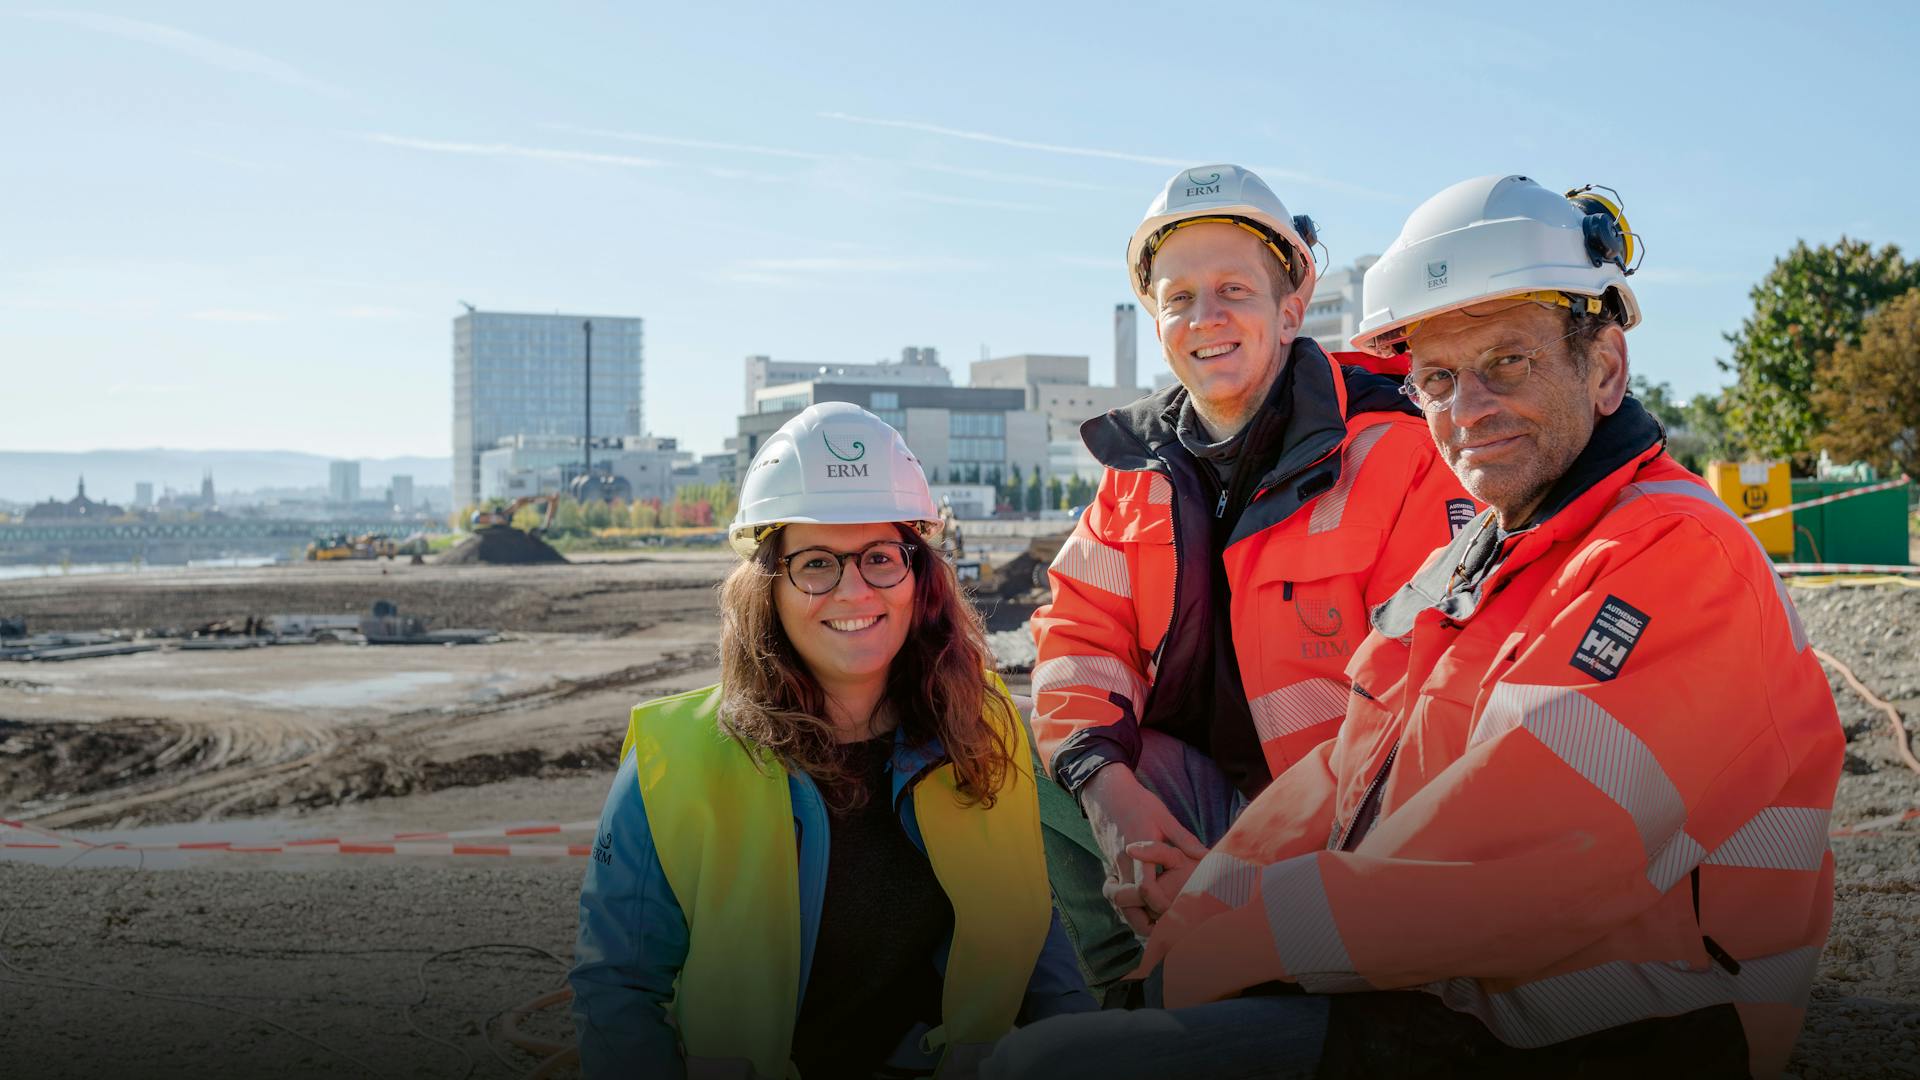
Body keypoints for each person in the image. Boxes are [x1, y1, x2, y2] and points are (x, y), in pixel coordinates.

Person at [987, 175, 1841, 1079]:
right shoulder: (1488, 556)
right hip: (1453, 991)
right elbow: (1348, 769)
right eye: (1436, 377)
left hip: (1636, 1025)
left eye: (1507, 362)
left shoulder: (1672, 554)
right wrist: (1209, 909)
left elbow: (1519, 870)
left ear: (1605, 367)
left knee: (1057, 1067)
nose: (1467, 408)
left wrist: (1236, 938)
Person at [1028, 164, 1469, 993]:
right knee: (1031, 759)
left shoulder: (1398, 450)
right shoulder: (1138, 469)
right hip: (1202, 806)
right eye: (1179, 296)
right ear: (1157, 320)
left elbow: (1426, 715)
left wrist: (1241, 878)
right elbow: (1077, 641)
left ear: (1291, 308)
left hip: (1352, 834)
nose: (1207, 317)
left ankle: (1220, 990)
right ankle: (1138, 986)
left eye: (1234, 288)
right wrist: (1114, 802)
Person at [571, 402, 1091, 1079]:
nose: (854, 591)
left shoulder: (985, 730)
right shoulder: (674, 762)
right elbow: (618, 993)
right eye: (816, 563)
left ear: (919, 579)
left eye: (880, 557)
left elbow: (1034, 942)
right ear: (770, 588)